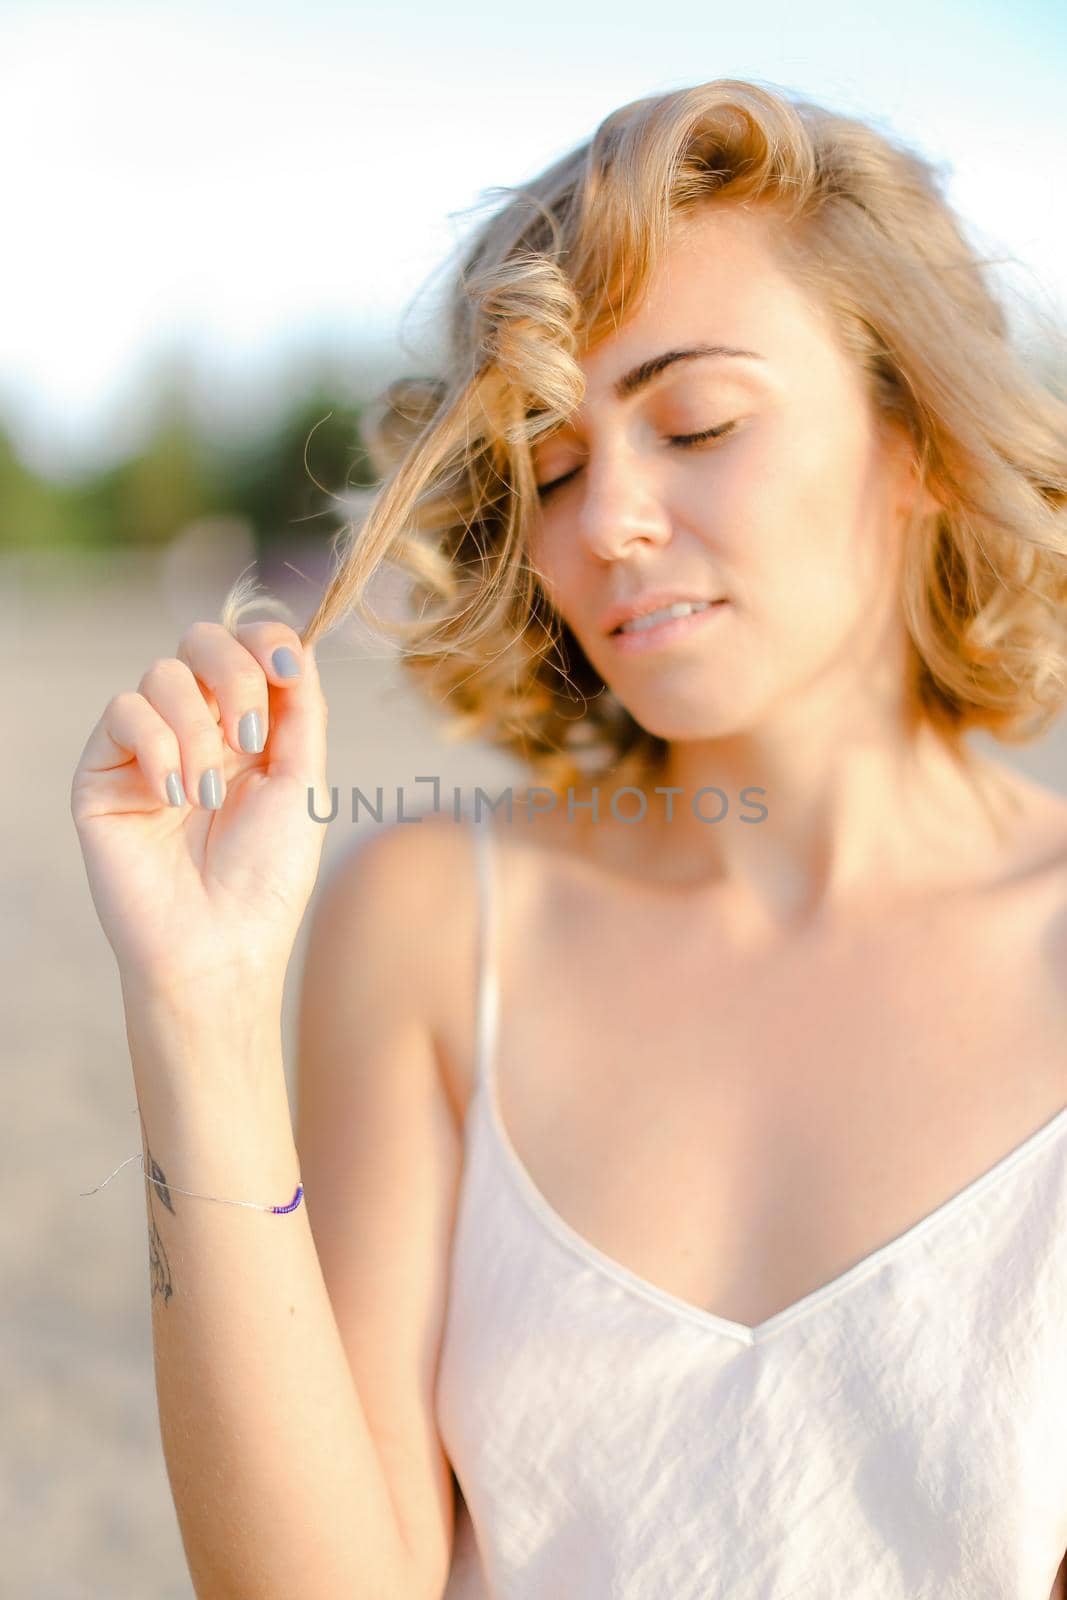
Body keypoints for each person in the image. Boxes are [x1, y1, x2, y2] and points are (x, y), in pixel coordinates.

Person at [70, 77, 1067, 1600]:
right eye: (551, 466)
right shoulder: (435, 925)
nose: (608, 524)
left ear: (917, 434)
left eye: (697, 423)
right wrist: (200, 1014)